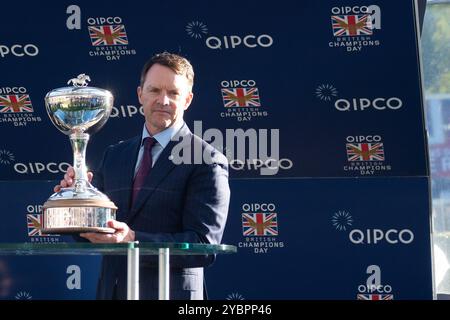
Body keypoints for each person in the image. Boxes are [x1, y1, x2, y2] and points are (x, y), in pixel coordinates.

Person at [54, 52, 230, 300]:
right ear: (140, 95)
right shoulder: (115, 155)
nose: (163, 100)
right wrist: (76, 202)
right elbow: (94, 232)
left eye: (174, 93)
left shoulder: (207, 160)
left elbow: (203, 246)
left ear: (188, 100)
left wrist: (133, 239)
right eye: (155, 90)